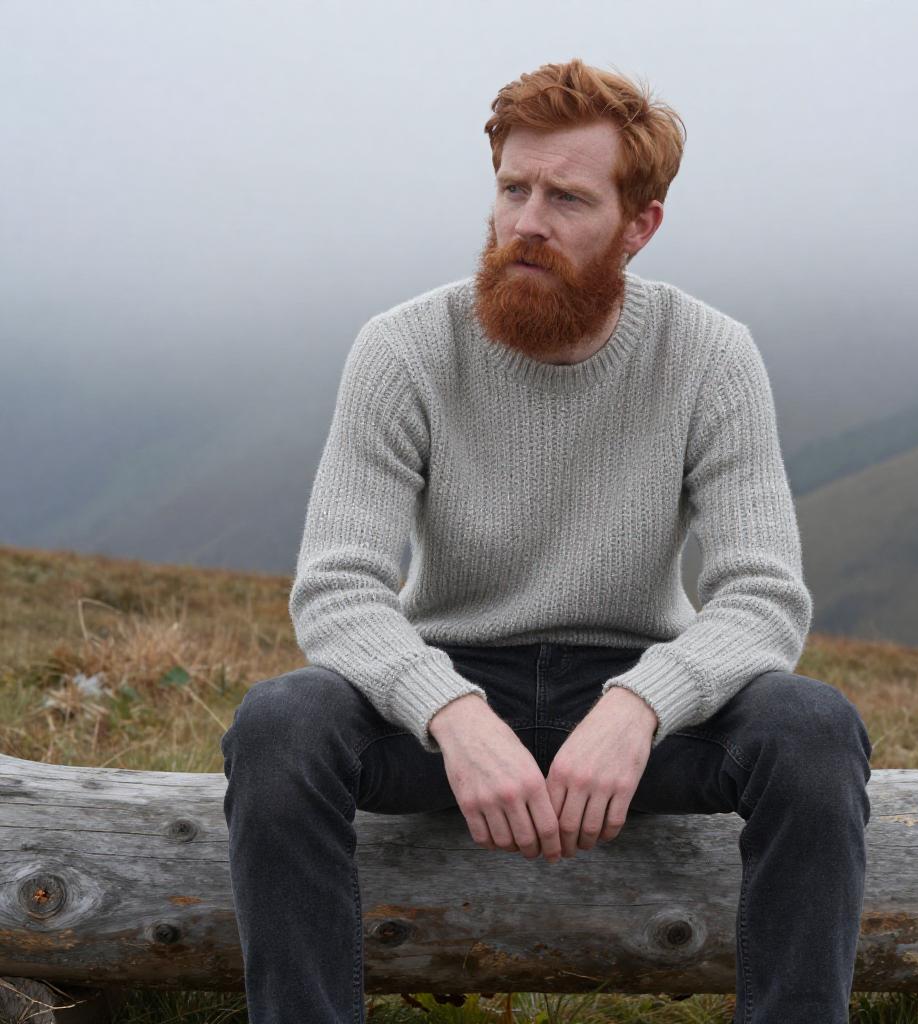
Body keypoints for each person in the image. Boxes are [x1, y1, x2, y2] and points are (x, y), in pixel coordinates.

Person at [220, 58, 873, 1024]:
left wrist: (641, 704)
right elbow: (339, 586)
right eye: (512, 188)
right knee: (280, 724)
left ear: (639, 225)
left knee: (813, 729)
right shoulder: (404, 348)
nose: (527, 221)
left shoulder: (710, 355)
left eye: (567, 198)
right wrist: (450, 712)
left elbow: (763, 595)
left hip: (640, 697)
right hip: (446, 690)